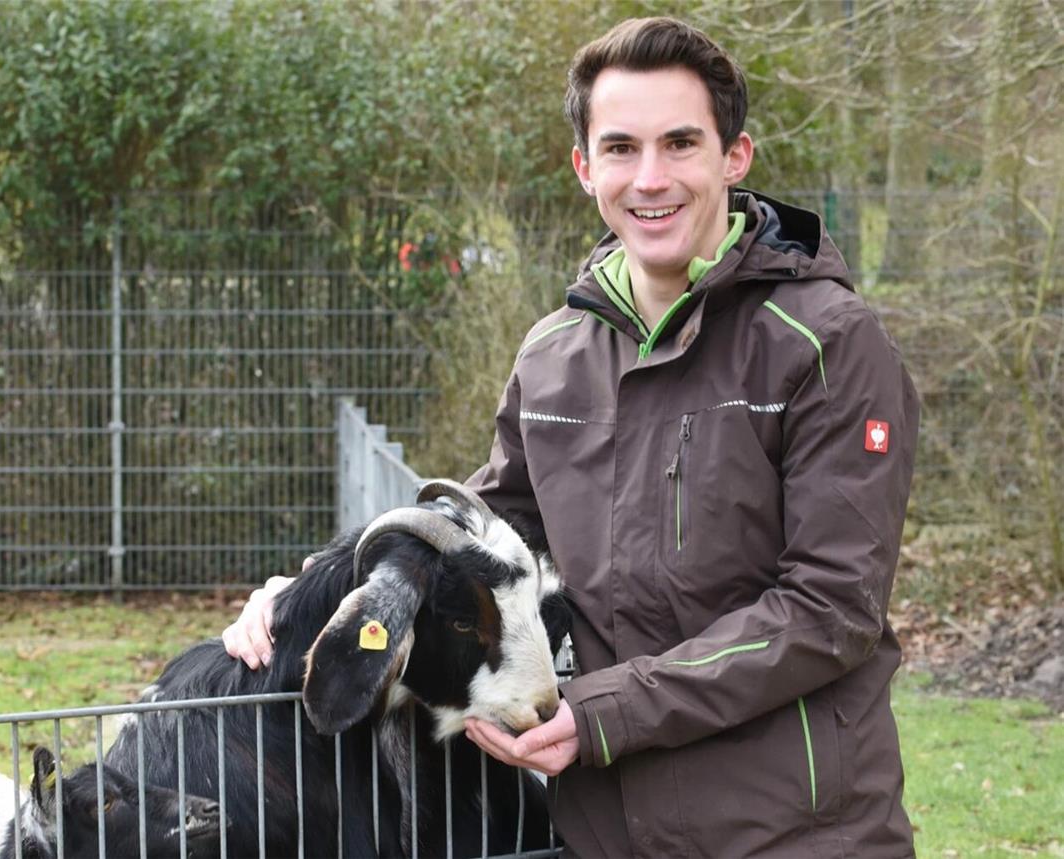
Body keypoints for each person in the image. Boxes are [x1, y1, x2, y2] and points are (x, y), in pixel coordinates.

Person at [224, 17, 919, 858]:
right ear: (586, 166)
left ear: (735, 159)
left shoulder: (827, 343)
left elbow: (829, 609)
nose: (651, 177)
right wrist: (310, 596)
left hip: (795, 834)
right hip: (598, 834)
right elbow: (479, 531)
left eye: (681, 144)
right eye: (621, 147)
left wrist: (600, 713)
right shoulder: (553, 355)